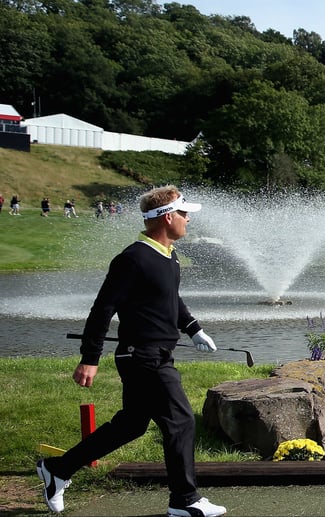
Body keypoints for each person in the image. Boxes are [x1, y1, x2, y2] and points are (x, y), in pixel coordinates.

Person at [36, 185, 226, 517]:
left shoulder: (170, 256)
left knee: (131, 425)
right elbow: (102, 310)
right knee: (180, 420)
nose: (188, 220)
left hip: (157, 353)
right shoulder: (133, 259)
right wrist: (90, 358)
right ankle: (184, 500)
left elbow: (171, 300)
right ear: (167, 218)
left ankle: (58, 469)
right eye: (183, 214)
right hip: (142, 356)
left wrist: (194, 328)